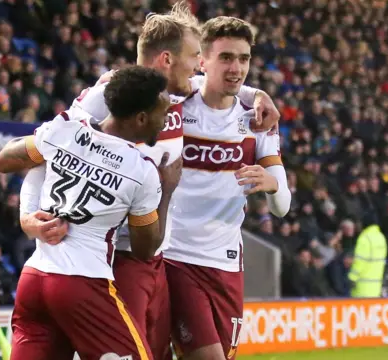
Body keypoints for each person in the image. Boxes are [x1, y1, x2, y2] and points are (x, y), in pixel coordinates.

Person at [0, 3, 280, 360]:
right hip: (115, 257)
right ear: (166, 59)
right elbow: (46, 153)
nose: (198, 68)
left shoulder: (175, 96)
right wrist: (27, 216)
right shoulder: (109, 94)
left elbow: (220, 81)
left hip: (154, 258)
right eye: (194, 57)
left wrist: (256, 95)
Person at [0, 66, 182, 360]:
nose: (166, 121)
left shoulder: (67, 126)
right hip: (82, 283)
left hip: (34, 279)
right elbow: (146, 249)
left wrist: (28, 216)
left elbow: (4, 160)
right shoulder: (141, 170)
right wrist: (167, 190)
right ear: (142, 118)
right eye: (163, 113)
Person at [164, 17, 291, 360]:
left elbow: (282, 207)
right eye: (226, 58)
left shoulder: (258, 118)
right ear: (202, 61)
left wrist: (272, 183)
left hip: (226, 265)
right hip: (175, 255)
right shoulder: (175, 102)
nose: (236, 68)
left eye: (244, 58)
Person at [348, 212, 387, 298]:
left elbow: (360, 261)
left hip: (362, 287)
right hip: (376, 287)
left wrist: (352, 278)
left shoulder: (365, 238)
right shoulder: (381, 238)